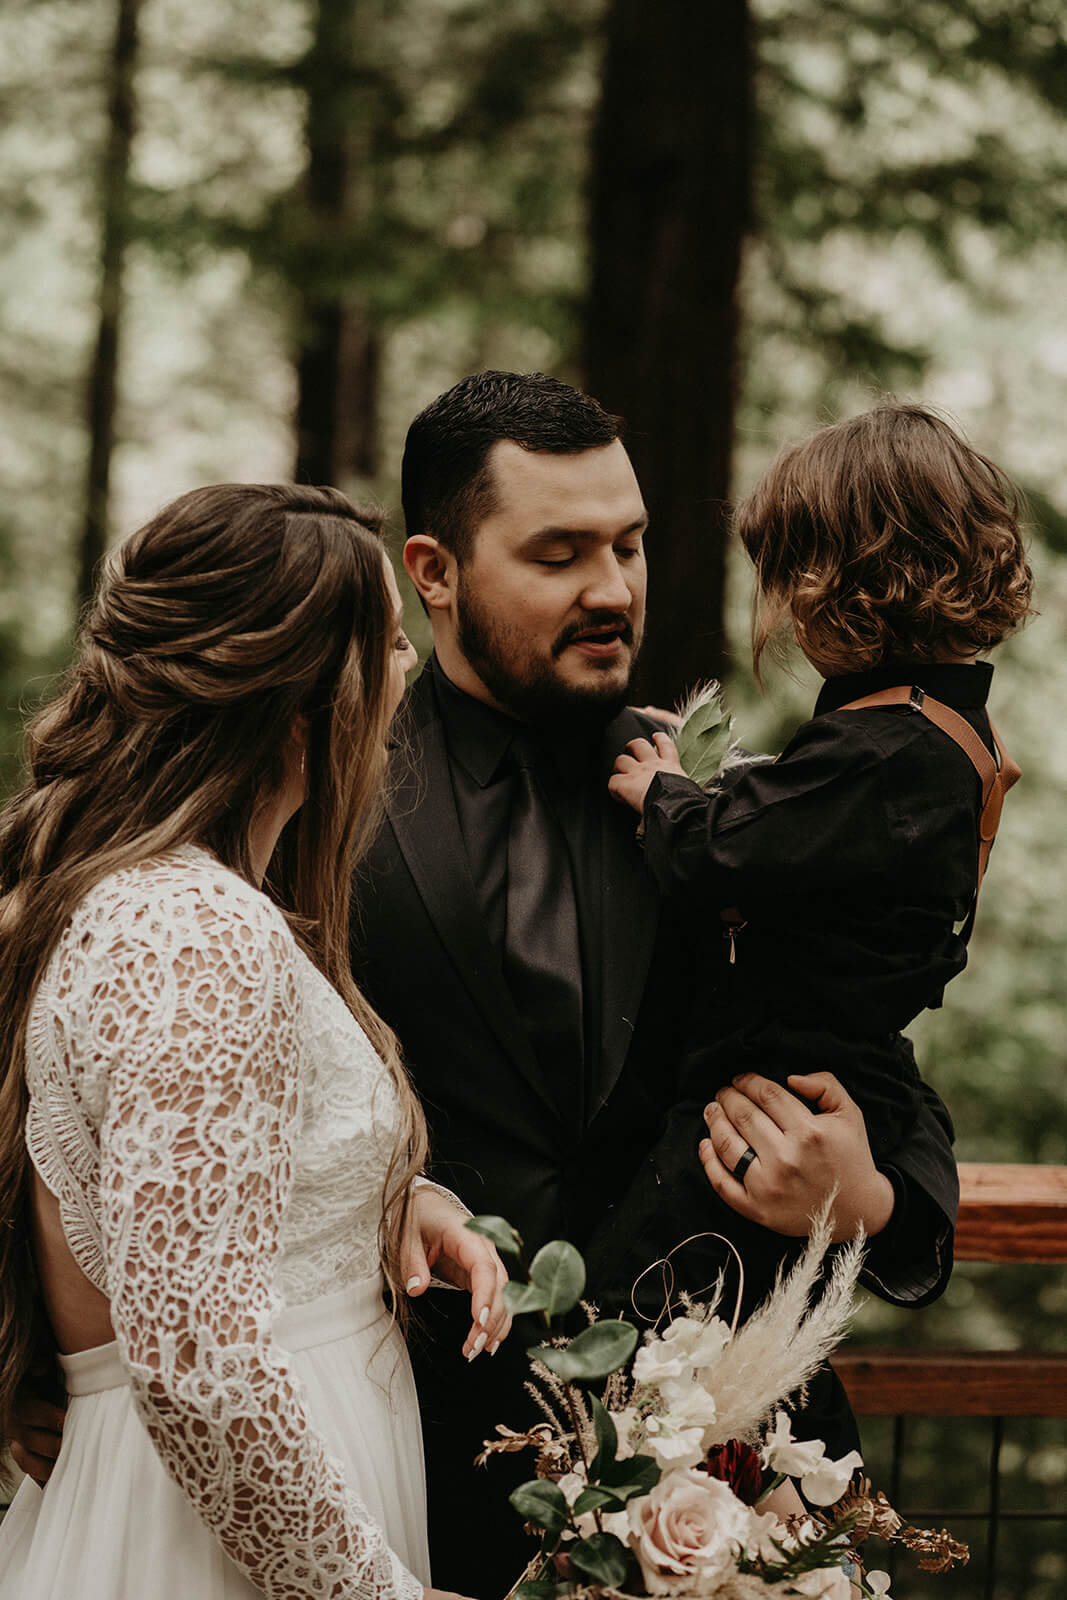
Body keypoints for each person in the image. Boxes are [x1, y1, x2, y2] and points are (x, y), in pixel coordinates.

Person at [348, 372, 963, 1596]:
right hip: (424, 1459)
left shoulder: (732, 806)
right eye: (560, 552)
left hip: (728, 1458)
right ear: (433, 569)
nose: (614, 588)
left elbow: (872, 1053)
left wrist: (874, 1199)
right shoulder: (327, 799)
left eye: (628, 545)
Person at [0, 483, 510, 1600]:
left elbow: (176, 1190)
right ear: (301, 696)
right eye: (383, 644)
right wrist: (374, 1594)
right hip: (213, 1539)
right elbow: (194, 1362)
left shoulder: (174, 901)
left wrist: (376, 1194)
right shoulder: (192, 928)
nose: (407, 672)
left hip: (252, 1492)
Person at [609, 402, 1033, 1328]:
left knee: (643, 1296)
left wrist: (666, 792)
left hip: (782, 1079)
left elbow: (726, 854)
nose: (785, 610)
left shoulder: (883, 751)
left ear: (846, 581)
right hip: (821, 1069)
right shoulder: (939, 734)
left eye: (790, 576)